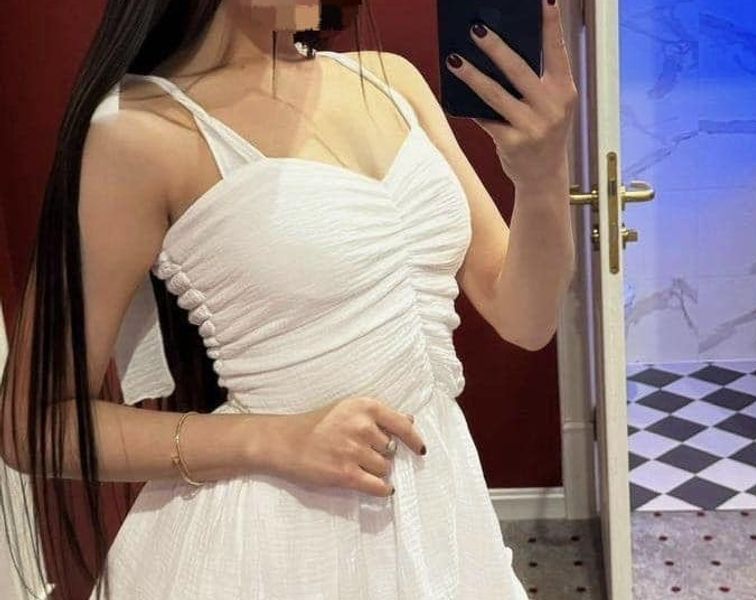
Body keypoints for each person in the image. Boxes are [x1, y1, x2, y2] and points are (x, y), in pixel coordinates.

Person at [0, 0, 577, 598]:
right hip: (274, 540)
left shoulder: (391, 82)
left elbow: (526, 319)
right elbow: (32, 425)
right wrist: (274, 438)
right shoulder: (138, 133)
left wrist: (541, 176)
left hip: (441, 512)